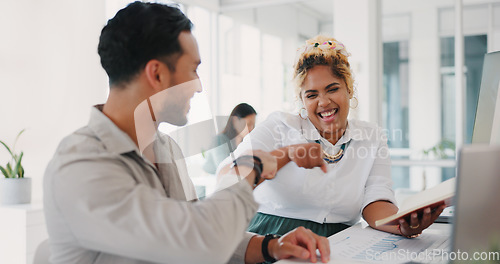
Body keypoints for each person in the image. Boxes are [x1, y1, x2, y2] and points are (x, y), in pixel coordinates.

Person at [43, 3, 330, 264]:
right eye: (193, 70)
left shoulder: (166, 148)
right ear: (156, 74)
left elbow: (192, 225)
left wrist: (271, 246)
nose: (199, 86)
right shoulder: (81, 165)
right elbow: (199, 242)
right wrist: (250, 167)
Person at [224, 35, 446, 239]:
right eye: (312, 95)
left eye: (332, 89)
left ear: (349, 89)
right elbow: (232, 176)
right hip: (274, 236)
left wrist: (400, 225)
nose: (323, 102)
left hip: (342, 240)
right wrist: (287, 154)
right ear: (302, 100)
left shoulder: (372, 136)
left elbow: (376, 198)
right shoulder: (279, 126)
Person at [203, 103, 257, 174]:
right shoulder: (219, 140)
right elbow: (224, 168)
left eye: (253, 125)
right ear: (235, 121)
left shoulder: (243, 142)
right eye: (249, 124)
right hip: (211, 180)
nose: (251, 128)